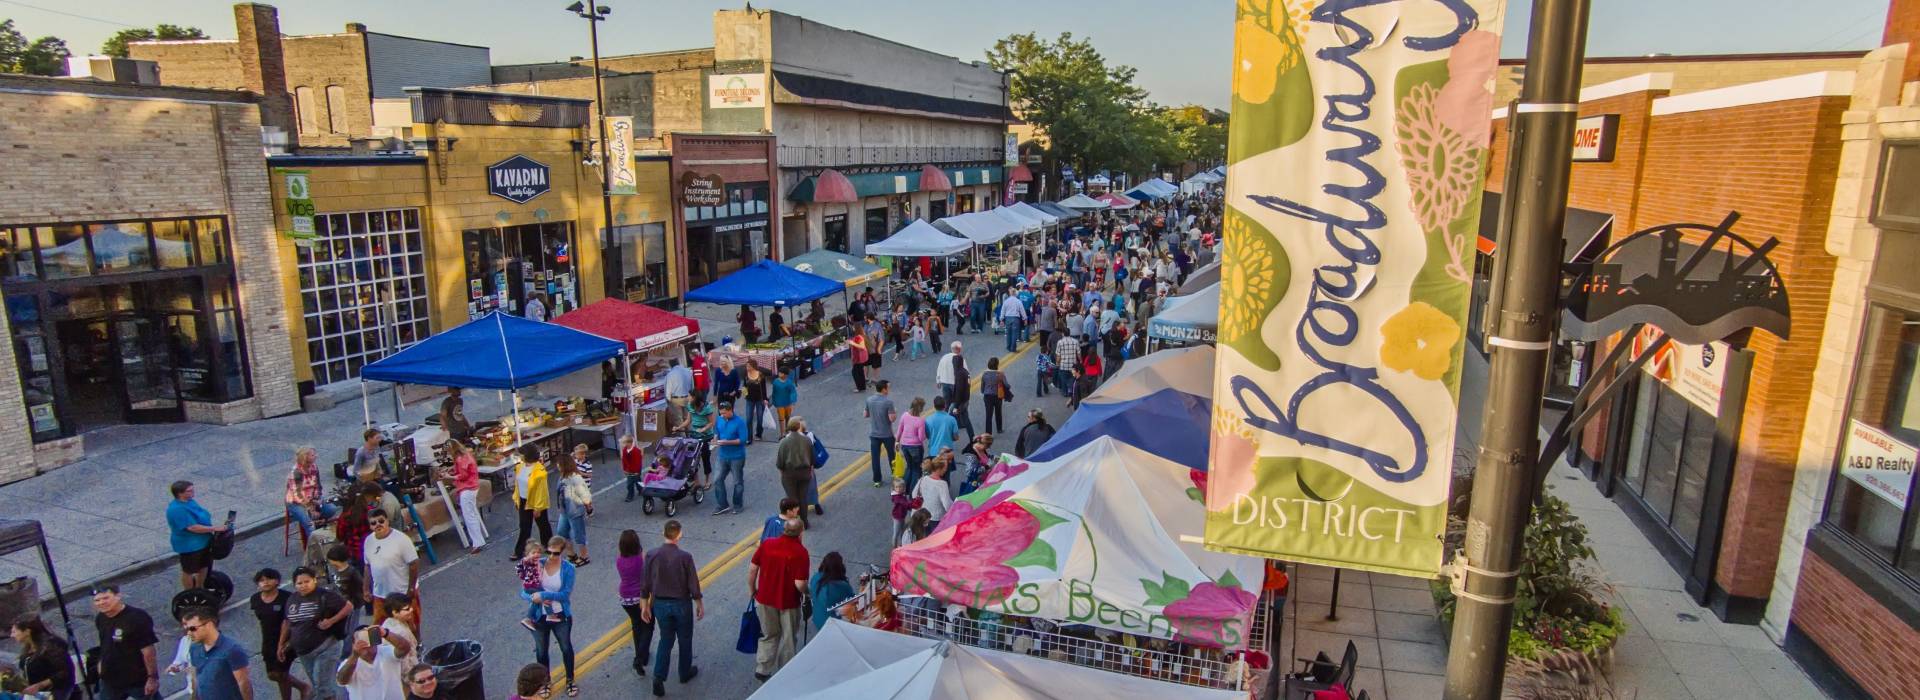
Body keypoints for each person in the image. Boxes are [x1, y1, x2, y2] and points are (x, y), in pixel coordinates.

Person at [640, 520, 703, 696]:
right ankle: (684, 671)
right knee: (685, 638)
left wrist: (644, 605)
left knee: (665, 640)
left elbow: (645, 582)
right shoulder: (685, 557)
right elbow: (693, 583)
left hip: (660, 603)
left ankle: (659, 677)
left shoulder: (652, 555)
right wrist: (698, 603)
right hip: (681, 603)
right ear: (679, 535)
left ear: (664, 533)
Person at [747, 518, 809, 681]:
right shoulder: (800, 552)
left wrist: (752, 590)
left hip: (764, 599)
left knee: (769, 634)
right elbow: (799, 583)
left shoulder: (767, 544)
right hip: (788, 602)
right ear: (800, 533)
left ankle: (763, 668)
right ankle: (785, 672)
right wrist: (807, 593)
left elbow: (753, 569)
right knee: (788, 637)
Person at [281, 567, 350, 700]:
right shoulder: (292, 599)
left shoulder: (325, 595)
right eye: (299, 583)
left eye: (306, 582)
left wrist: (330, 621)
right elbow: (288, 622)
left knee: (322, 687)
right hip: (304, 652)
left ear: (314, 580)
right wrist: (282, 644)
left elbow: (348, 607)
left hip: (326, 647)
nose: (303, 586)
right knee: (318, 684)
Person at [525, 537, 580, 697]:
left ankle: (570, 680)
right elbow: (525, 590)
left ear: (562, 553)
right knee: (541, 651)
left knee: (565, 647)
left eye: (555, 553)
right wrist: (532, 598)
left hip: (560, 615)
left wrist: (543, 594)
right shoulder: (538, 563)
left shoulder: (568, 568)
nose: (551, 556)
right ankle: (545, 682)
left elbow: (565, 594)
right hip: (539, 615)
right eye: (548, 551)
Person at [248, 570, 310, 700]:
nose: (265, 583)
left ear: (277, 581)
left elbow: (287, 622)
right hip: (268, 639)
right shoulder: (255, 599)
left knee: (281, 673)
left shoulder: (287, 598)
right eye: (262, 580)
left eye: (269, 579)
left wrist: (282, 644)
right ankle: (302, 686)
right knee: (272, 674)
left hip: (288, 637)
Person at [92, 585, 162, 700]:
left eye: (106, 598)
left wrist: (152, 678)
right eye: (97, 600)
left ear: (118, 596)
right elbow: (105, 644)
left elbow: (148, 651)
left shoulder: (137, 618)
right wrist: (101, 663)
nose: (101, 603)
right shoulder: (101, 618)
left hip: (136, 680)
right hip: (110, 679)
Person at [362, 511, 420, 631]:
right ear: (370, 526)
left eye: (381, 521)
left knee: (411, 621)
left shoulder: (401, 539)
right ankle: (378, 649)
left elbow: (413, 564)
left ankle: (417, 644)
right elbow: (367, 566)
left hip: (402, 591)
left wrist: (411, 588)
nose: (378, 525)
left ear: (388, 521)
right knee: (378, 625)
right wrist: (366, 588)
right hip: (380, 593)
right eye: (373, 523)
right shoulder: (368, 541)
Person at [166, 480, 225, 591]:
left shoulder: (190, 501)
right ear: (180, 493)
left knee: (204, 565)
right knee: (189, 570)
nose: (193, 492)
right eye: (189, 491)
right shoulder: (176, 509)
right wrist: (214, 528)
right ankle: (189, 592)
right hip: (190, 546)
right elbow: (192, 527)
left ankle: (200, 587)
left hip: (203, 541)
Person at [182, 607, 252, 700]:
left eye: (192, 628)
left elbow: (243, 683)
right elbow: (196, 678)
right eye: (186, 630)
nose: (189, 633)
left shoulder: (232, 650)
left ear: (209, 625)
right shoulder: (194, 648)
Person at [616, 530, 655, 678]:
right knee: (648, 627)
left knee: (636, 625)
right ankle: (640, 657)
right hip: (640, 597)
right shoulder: (641, 558)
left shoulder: (619, 559)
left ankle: (640, 653)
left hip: (625, 597)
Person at [11, 615, 77, 700]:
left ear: (27, 631)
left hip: (56, 691)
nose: (11, 635)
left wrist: (40, 685)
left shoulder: (52, 645)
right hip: (37, 693)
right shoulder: (28, 647)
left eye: (14, 631)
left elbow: (64, 672)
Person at [335, 625, 406, 700]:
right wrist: (354, 656)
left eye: (369, 638)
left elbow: (405, 648)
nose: (366, 643)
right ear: (353, 644)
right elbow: (342, 681)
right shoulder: (348, 662)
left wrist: (385, 633)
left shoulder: (388, 651)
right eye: (361, 639)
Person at [286, 447, 339, 540]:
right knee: (309, 525)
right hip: (296, 502)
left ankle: (319, 523)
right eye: (313, 455)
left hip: (312, 499)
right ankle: (314, 546)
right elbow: (298, 495)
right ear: (305, 458)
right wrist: (311, 508)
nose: (316, 456)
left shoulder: (314, 466)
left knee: (332, 509)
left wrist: (317, 501)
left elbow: (318, 486)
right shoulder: (296, 472)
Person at [510, 445, 553, 559]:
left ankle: (548, 545)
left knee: (543, 525)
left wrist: (538, 508)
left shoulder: (540, 472)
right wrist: (516, 498)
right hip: (523, 500)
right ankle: (520, 550)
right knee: (524, 526)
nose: (520, 456)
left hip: (536, 502)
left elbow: (541, 491)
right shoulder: (520, 467)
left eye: (522, 454)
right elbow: (517, 485)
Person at [442, 441, 485, 554]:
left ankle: (477, 543)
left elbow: (463, 475)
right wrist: (453, 469)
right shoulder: (465, 455)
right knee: (472, 514)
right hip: (473, 487)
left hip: (467, 488)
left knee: (469, 516)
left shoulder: (460, 459)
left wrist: (449, 476)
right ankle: (478, 540)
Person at [710, 401, 749, 515]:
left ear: (730, 410)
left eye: (724, 413)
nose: (722, 415)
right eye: (721, 413)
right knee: (717, 479)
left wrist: (727, 442)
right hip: (722, 455)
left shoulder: (739, 422)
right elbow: (716, 431)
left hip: (736, 457)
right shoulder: (720, 419)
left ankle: (737, 505)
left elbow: (742, 440)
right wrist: (715, 439)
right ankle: (722, 505)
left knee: (737, 482)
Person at [776, 420, 815, 527]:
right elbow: (812, 458)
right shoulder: (807, 440)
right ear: (798, 427)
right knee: (803, 497)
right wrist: (810, 470)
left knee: (792, 498)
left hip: (789, 473)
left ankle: (793, 521)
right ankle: (804, 520)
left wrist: (783, 473)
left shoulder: (784, 442)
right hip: (804, 472)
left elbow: (780, 462)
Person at [554, 460, 594, 566]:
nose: (557, 465)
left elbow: (585, 495)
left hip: (575, 511)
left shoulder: (575, 478)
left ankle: (585, 556)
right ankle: (571, 554)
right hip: (565, 511)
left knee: (579, 535)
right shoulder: (562, 477)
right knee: (562, 532)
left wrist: (588, 506)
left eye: (559, 463)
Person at [808, 553, 856, 632]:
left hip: (817, 619)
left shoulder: (815, 577)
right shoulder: (842, 586)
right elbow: (853, 602)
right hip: (833, 625)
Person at [863, 381, 897, 488]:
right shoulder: (888, 402)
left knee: (875, 458)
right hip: (887, 434)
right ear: (883, 389)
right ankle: (895, 474)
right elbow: (892, 419)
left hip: (874, 434)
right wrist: (895, 412)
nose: (889, 390)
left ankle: (877, 480)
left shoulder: (869, 400)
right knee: (892, 456)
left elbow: (865, 414)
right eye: (888, 387)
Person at [377, 594, 421, 676]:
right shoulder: (401, 632)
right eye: (407, 609)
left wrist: (410, 621)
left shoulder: (388, 621)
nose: (411, 610)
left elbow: (413, 630)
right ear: (395, 612)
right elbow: (405, 661)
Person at [682, 392, 716, 489]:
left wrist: (703, 429)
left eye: (689, 396)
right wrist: (678, 427)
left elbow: (711, 422)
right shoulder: (690, 406)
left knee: (705, 458)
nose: (687, 397)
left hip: (706, 436)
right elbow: (688, 420)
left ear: (694, 398)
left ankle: (707, 481)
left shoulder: (707, 408)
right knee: (692, 459)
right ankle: (696, 482)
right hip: (694, 435)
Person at [893, 397, 928, 490]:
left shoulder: (904, 415)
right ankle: (913, 491)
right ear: (920, 408)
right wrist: (926, 434)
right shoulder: (920, 420)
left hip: (904, 445)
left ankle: (904, 488)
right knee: (917, 469)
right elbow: (921, 438)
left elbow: (900, 429)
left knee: (909, 467)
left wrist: (897, 441)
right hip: (916, 447)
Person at [912, 460, 954, 532]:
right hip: (936, 518)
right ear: (939, 469)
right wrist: (954, 510)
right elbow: (947, 504)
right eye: (945, 468)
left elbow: (914, 494)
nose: (946, 470)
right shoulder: (942, 484)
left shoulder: (923, 478)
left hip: (924, 514)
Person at [923, 396, 959, 467]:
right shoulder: (952, 419)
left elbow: (927, 436)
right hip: (947, 453)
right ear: (945, 405)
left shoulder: (928, 420)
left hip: (933, 452)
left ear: (934, 406)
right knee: (946, 475)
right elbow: (956, 437)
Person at [741, 364, 770, 445]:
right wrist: (745, 394)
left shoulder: (760, 375)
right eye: (746, 367)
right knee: (748, 419)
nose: (747, 368)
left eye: (748, 366)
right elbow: (744, 386)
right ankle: (749, 438)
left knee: (760, 418)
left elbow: (764, 388)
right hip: (749, 400)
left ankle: (758, 434)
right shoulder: (746, 374)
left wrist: (765, 399)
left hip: (759, 399)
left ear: (753, 367)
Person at [980, 357, 1009, 434]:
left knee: (988, 415)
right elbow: (1006, 385)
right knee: (998, 412)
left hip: (987, 396)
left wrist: (983, 391)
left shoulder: (985, 374)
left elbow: (982, 386)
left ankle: (988, 432)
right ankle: (999, 429)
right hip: (997, 396)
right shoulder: (1000, 374)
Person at [889, 479, 919, 547]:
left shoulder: (902, 495)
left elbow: (906, 505)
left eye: (900, 487)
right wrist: (913, 504)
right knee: (896, 533)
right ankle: (894, 548)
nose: (899, 489)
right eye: (897, 487)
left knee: (903, 530)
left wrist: (910, 508)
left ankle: (901, 544)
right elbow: (905, 503)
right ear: (894, 488)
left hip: (902, 516)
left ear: (903, 487)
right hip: (897, 517)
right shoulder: (896, 497)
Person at [769, 368, 798, 432]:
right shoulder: (775, 382)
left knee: (787, 417)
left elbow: (793, 392)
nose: (779, 374)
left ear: (785, 375)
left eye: (781, 373)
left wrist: (793, 400)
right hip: (779, 404)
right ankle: (782, 434)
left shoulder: (789, 382)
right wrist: (773, 401)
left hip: (788, 403)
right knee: (781, 418)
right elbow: (774, 393)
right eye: (779, 372)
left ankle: (787, 430)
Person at [620, 435, 646, 504]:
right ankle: (641, 490)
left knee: (630, 483)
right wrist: (624, 469)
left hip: (635, 470)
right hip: (629, 471)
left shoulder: (636, 451)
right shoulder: (625, 450)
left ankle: (630, 495)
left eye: (624, 443)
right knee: (636, 481)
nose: (623, 445)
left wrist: (636, 471)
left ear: (630, 443)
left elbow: (638, 462)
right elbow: (624, 460)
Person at [999, 288, 1026, 353]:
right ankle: (1013, 348)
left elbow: (1003, 310)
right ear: (1015, 293)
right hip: (1015, 318)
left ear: (1010, 293)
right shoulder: (1018, 301)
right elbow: (1022, 311)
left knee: (1008, 333)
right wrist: (1025, 319)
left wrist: (1001, 319)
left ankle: (1008, 347)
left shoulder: (1006, 301)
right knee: (1014, 334)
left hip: (1008, 318)